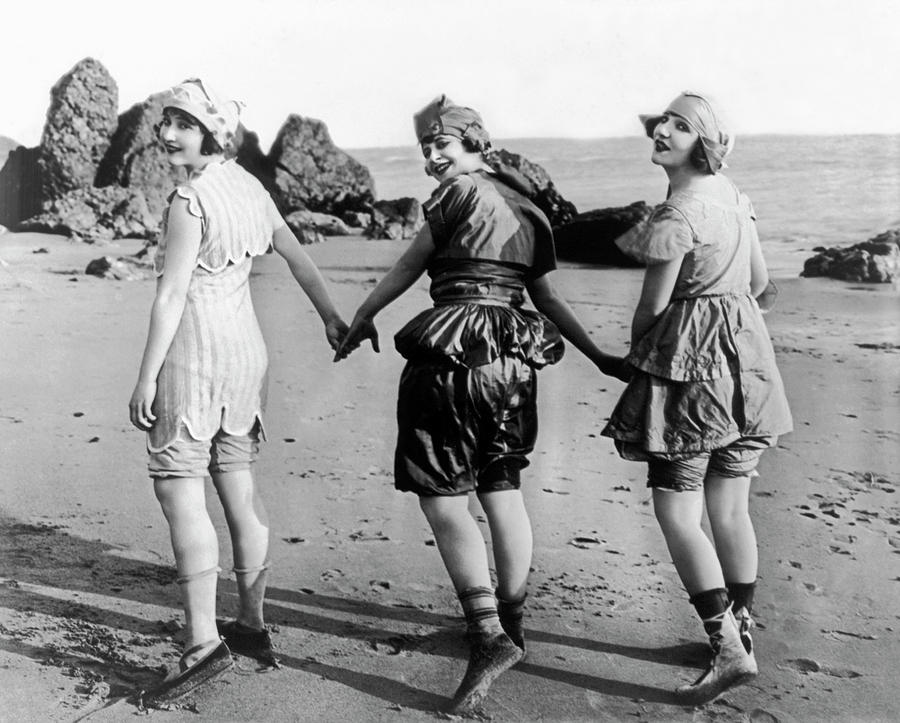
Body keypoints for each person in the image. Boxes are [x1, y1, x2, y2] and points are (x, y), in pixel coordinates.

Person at [335, 95, 627, 715]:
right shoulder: (530, 208)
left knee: (441, 492)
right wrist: (599, 355)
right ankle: (514, 626)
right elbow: (544, 296)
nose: (433, 156)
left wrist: (362, 316)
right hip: (516, 359)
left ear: (476, 145)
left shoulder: (455, 193)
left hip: (455, 350)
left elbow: (409, 266)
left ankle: (488, 636)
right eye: (427, 148)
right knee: (501, 485)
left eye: (443, 144)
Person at [128, 78, 347, 705]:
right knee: (239, 486)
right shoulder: (251, 187)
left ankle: (201, 644)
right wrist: (331, 316)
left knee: (180, 491)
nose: (168, 134)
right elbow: (298, 255)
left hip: (194, 358)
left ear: (212, 132)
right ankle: (250, 626)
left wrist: (145, 377)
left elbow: (171, 296)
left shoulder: (188, 199)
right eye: (166, 121)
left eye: (184, 124)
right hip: (247, 357)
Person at [601, 91, 793, 704]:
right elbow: (762, 284)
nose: (661, 129)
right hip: (751, 370)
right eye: (662, 121)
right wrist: (730, 315)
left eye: (679, 126)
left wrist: (641, 358)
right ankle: (740, 629)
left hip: (691, 372)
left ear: (701, 144)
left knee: (677, 510)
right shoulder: (735, 199)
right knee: (731, 507)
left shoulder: (677, 214)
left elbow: (652, 309)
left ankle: (726, 649)